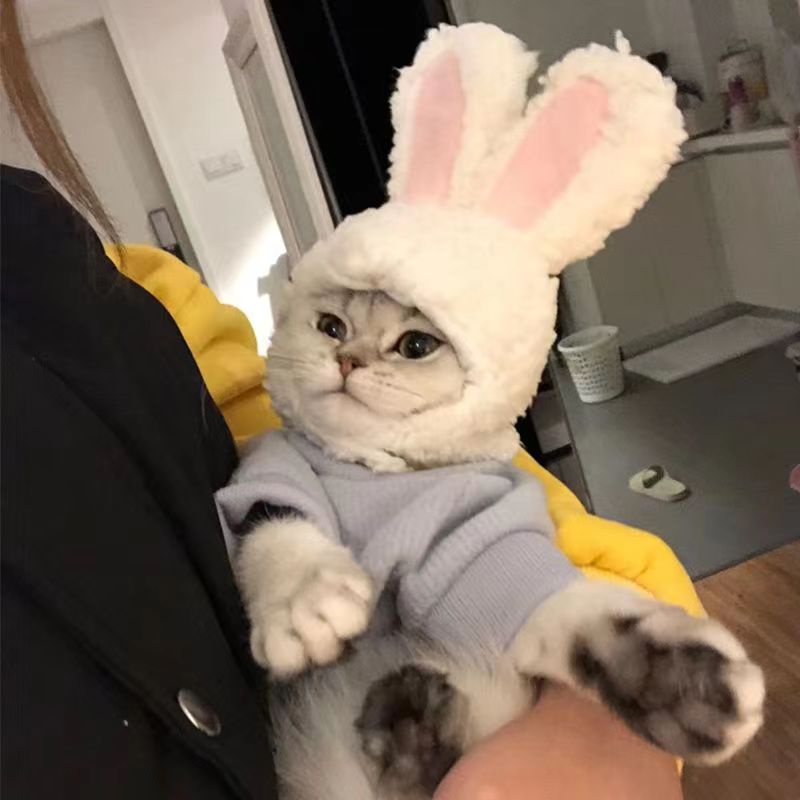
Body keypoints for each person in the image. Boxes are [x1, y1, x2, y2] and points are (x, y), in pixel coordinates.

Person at [0, 1, 682, 796]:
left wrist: (594, 708)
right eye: (332, 329)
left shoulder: (130, 294)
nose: (353, 363)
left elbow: (444, 492)